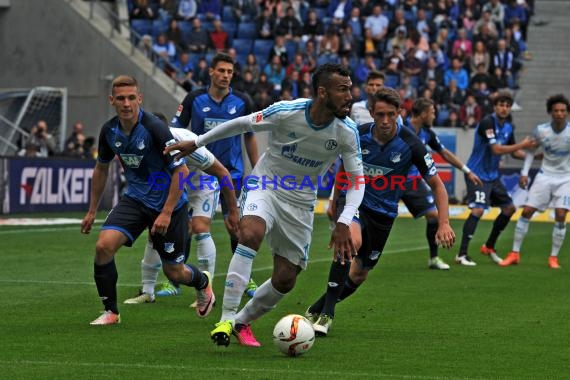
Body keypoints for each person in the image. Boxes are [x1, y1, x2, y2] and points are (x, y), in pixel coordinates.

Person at [165, 63, 364, 347]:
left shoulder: (347, 131)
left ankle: (241, 322)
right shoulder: (286, 111)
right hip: (266, 186)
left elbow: (358, 181)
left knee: (285, 279)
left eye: (349, 88)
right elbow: (243, 123)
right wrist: (197, 142)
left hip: (301, 201)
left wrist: (345, 220)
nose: (349, 95)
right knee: (250, 233)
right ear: (322, 92)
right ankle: (225, 318)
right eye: (342, 89)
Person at [306, 88, 456, 336]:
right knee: (350, 241)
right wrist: (335, 199)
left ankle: (317, 307)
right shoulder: (358, 135)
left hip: (384, 214)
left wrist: (444, 223)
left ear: (400, 113)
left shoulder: (412, 144)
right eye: (379, 115)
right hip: (355, 202)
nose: (385, 121)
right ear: (372, 114)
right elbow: (343, 167)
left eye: (390, 115)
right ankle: (326, 316)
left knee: (360, 274)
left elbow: (438, 185)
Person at [80, 75, 214, 325]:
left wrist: (166, 212)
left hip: (169, 205)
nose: (127, 103)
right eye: (121, 98)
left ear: (139, 98)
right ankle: (111, 312)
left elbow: (181, 172)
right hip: (136, 199)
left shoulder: (154, 128)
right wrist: (91, 210)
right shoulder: (109, 131)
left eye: (131, 98)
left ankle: (203, 282)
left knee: (174, 271)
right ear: (112, 101)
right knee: (103, 247)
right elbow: (101, 168)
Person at [123, 113, 239, 304]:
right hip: (174, 182)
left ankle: (205, 292)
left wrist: (233, 210)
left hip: (202, 180)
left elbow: (222, 172)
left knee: (201, 227)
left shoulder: (187, 143)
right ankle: (147, 291)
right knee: (156, 229)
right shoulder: (142, 144)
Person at [170, 52, 260, 298]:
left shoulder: (243, 101)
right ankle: (176, 277)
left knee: (237, 226)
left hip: (233, 173)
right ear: (211, 71)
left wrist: (257, 169)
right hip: (200, 173)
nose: (225, 76)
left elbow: (250, 136)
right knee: (187, 225)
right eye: (221, 71)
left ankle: (246, 279)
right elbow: (175, 130)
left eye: (230, 72)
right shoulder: (193, 99)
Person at [400, 98, 483, 270]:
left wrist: (467, 171)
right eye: (432, 112)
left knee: (434, 217)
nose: (434, 116)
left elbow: (444, 153)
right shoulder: (400, 128)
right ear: (423, 114)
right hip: (391, 180)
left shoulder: (427, 133)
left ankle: (433, 258)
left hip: (413, 182)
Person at [456, 91, 537, 266]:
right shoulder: (487, 122)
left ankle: (489, 246)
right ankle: (461, 254)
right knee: (477, 210)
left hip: (492, 176)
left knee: (509, 209)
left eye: (507, 106)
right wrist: (523, 144)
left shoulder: (508, 126)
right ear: (495, 106)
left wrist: (534, 157)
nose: (504, 108)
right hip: (476, 174)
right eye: (501, 105)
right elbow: (496, 150)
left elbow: (514, 151)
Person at [501, 94, 570, 268]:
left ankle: (553, 257)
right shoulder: (541, 130)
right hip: (544, 175)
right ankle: (514, 253)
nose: (559, 114)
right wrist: (524, 173)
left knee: (561, 214)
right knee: (526, 212)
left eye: (563, 111)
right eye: (556, 111)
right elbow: (531, 152)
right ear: (550, 112)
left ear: (567, 113)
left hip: (566, 178)